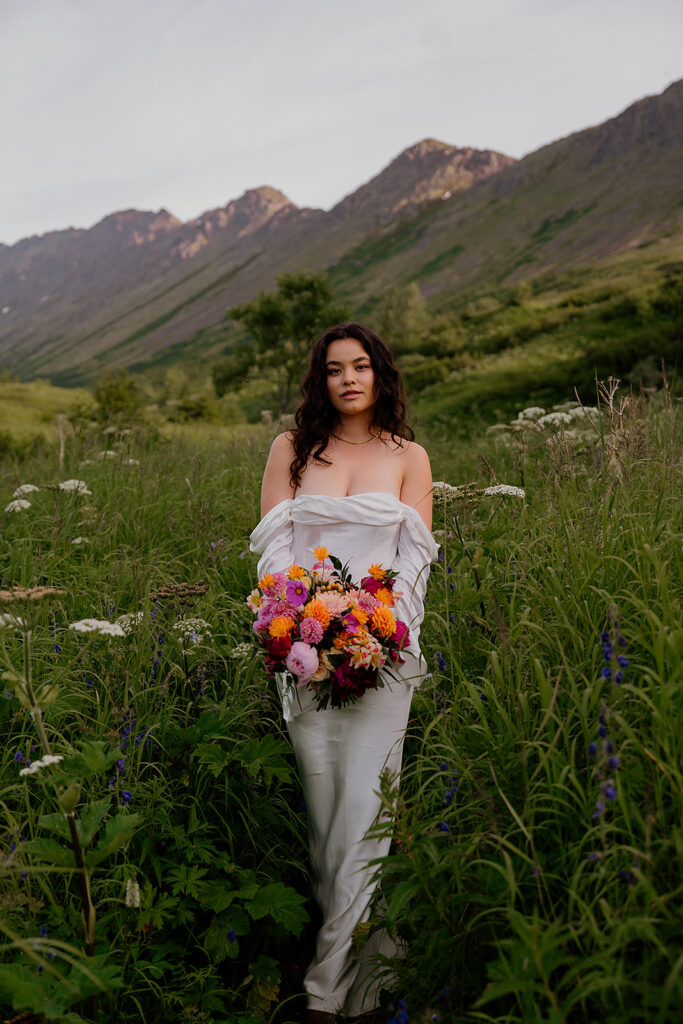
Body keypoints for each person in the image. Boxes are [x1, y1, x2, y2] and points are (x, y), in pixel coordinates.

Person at [249, 322, 438, 1023]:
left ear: (380, 374)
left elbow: (415, 560)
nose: (348, 379)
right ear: (320, 380)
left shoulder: (409, 456)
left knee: (367, 808)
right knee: (328, 812)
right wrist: (303, 626)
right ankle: (364, 963)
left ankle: (326, 990)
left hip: (384, 653)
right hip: (300, 649)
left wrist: (380, 631)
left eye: (360, 366)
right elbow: (272, 551)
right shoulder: (292, 449)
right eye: (334, 369)